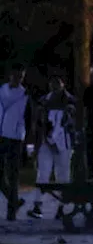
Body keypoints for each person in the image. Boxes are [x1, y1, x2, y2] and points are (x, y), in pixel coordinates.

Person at [28, 75, 76, 219]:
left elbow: (75, 122)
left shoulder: (70, 101)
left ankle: (62, 207)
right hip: (46, 142)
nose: (54, 86)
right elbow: (37, 124)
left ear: (63, 85)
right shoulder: (44, 101)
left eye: (57, 83)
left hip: (64, 142)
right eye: (52, 83)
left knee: (63, 174)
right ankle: (38, 205)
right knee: (43, 172)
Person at [0, 65, 31, 221]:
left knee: (13, 175)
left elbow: (28, 118)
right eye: (17, 76)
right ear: (10, 75)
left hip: (15, 137)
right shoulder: (1, 90)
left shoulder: (25, 95)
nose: (19, 80)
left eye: (21, 77)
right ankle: (15, 201)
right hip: (1, 135)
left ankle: (11, 211)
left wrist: (25, 138)